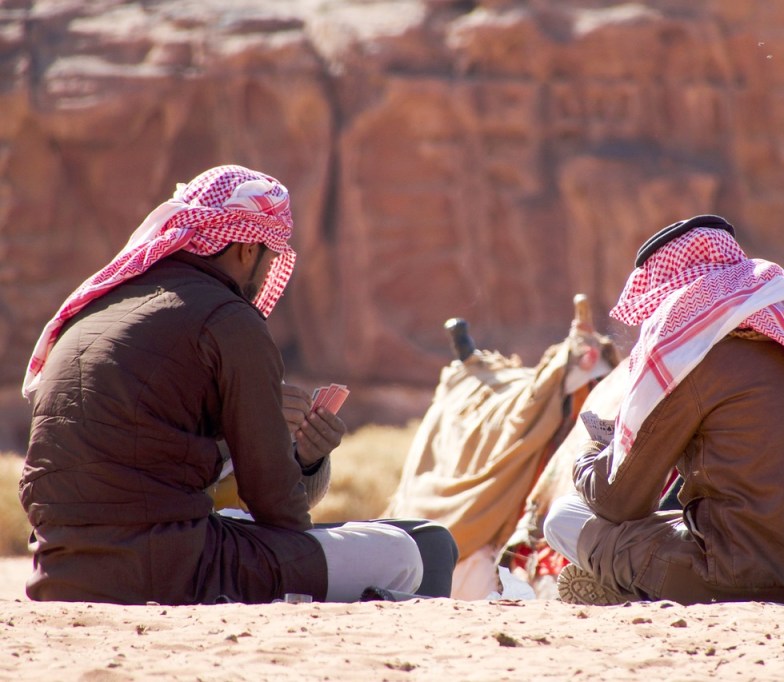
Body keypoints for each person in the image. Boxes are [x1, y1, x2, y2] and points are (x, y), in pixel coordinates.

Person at [19, 164, 457, 605]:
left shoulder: (100, 309)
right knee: (414, 550)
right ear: (249, 248)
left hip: (60, 572)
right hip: (169, 569)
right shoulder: (228, 319)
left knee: (411, 540)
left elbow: (154, 457)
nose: (269, 275)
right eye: (272, 255)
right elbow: (278, 511)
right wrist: (289, 464)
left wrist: (302, 457)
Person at [544, 215, 784, 606]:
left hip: (756, 579)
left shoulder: (691, 358)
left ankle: (629, 588)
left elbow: (620, 502)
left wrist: (591, 453)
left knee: (564, 517)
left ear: (673, 299)